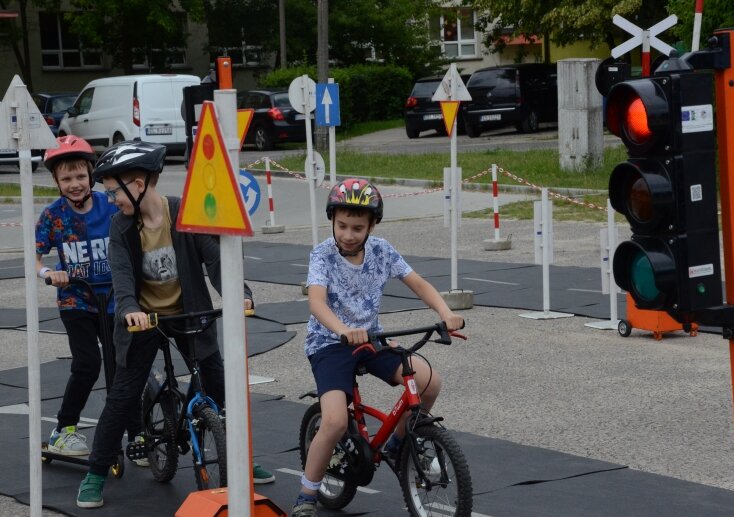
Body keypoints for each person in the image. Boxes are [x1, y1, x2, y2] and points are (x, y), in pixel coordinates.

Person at [75, 141, 274, 509]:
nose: (111, 200)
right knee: (122, 398)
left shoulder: (183, 214)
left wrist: (238, 292)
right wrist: (130, 309)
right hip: (143, 320)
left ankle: (240, 461)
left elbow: (215, 260)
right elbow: (121, 278)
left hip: (188, 313)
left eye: (113, 191)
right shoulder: (121, 228)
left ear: (137, 184)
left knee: (219, 384)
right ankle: (95, 474)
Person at [292, 179, 464, 517]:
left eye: (358, 227)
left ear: (373, 225)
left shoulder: (382, 250)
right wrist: (343, 330)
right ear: (332, 221)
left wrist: (445, 313)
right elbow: (316, 302)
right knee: (335, 422)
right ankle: (306, 495)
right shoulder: (323, 254)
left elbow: (417, 283)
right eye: (342, 225)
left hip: (371, 339)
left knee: (429, 382)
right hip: (329, 343)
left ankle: (399, 446)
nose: (348, 234)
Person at [35, 135, 144, 459]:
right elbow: (35, 256)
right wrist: (48, 273)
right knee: (88, 363)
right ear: (56, 180)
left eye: (80, 176)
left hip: (114, 297)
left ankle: (137, 432)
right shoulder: (53, 216)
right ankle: (64, 430)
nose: (75, 184)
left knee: (122, 365)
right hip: (77, 300)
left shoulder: (109, 205)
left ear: (91, 175)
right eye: (66, 178)